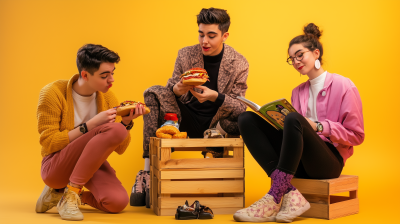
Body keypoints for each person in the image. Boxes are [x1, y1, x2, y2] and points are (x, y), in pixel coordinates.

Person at [233, 23, 364, 222]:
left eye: (300, 55)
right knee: (246, 119)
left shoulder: (343, 85)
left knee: (294, 118)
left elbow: (357, 135)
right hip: (298, 162)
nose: (295, 61)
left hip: (329, 162)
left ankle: (274, 195)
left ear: (316, 53)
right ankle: (290, 192)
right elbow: (294, 134)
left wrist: (319, 127)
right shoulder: (298, 92)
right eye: (291, 58)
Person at [130, 7, 250, 208]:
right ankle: (146, 172)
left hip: (217, 126)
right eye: (201, 34)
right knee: (153, 92)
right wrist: (177, 89)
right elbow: (169, 92)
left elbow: (239, 107)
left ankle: (213, 151)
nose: (205, 41)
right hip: (182, 119)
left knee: (244, 119)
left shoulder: (239, 63)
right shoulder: (185, 55)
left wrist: (215, 97)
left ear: (225, 36)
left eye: (211, 36)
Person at [35, 44, 146, 221]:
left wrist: (126, 123)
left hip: (91, 164)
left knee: (118, 202)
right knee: (115, 128)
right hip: (56, 166)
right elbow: (49, 142)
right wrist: (91, 125)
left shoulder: (108, 98)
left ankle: (61, 196)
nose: (111, 80)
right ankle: (69, 194)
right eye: (104, 75)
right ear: (85, 75)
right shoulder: (53, 93)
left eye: (112, 73)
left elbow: (120, 148)